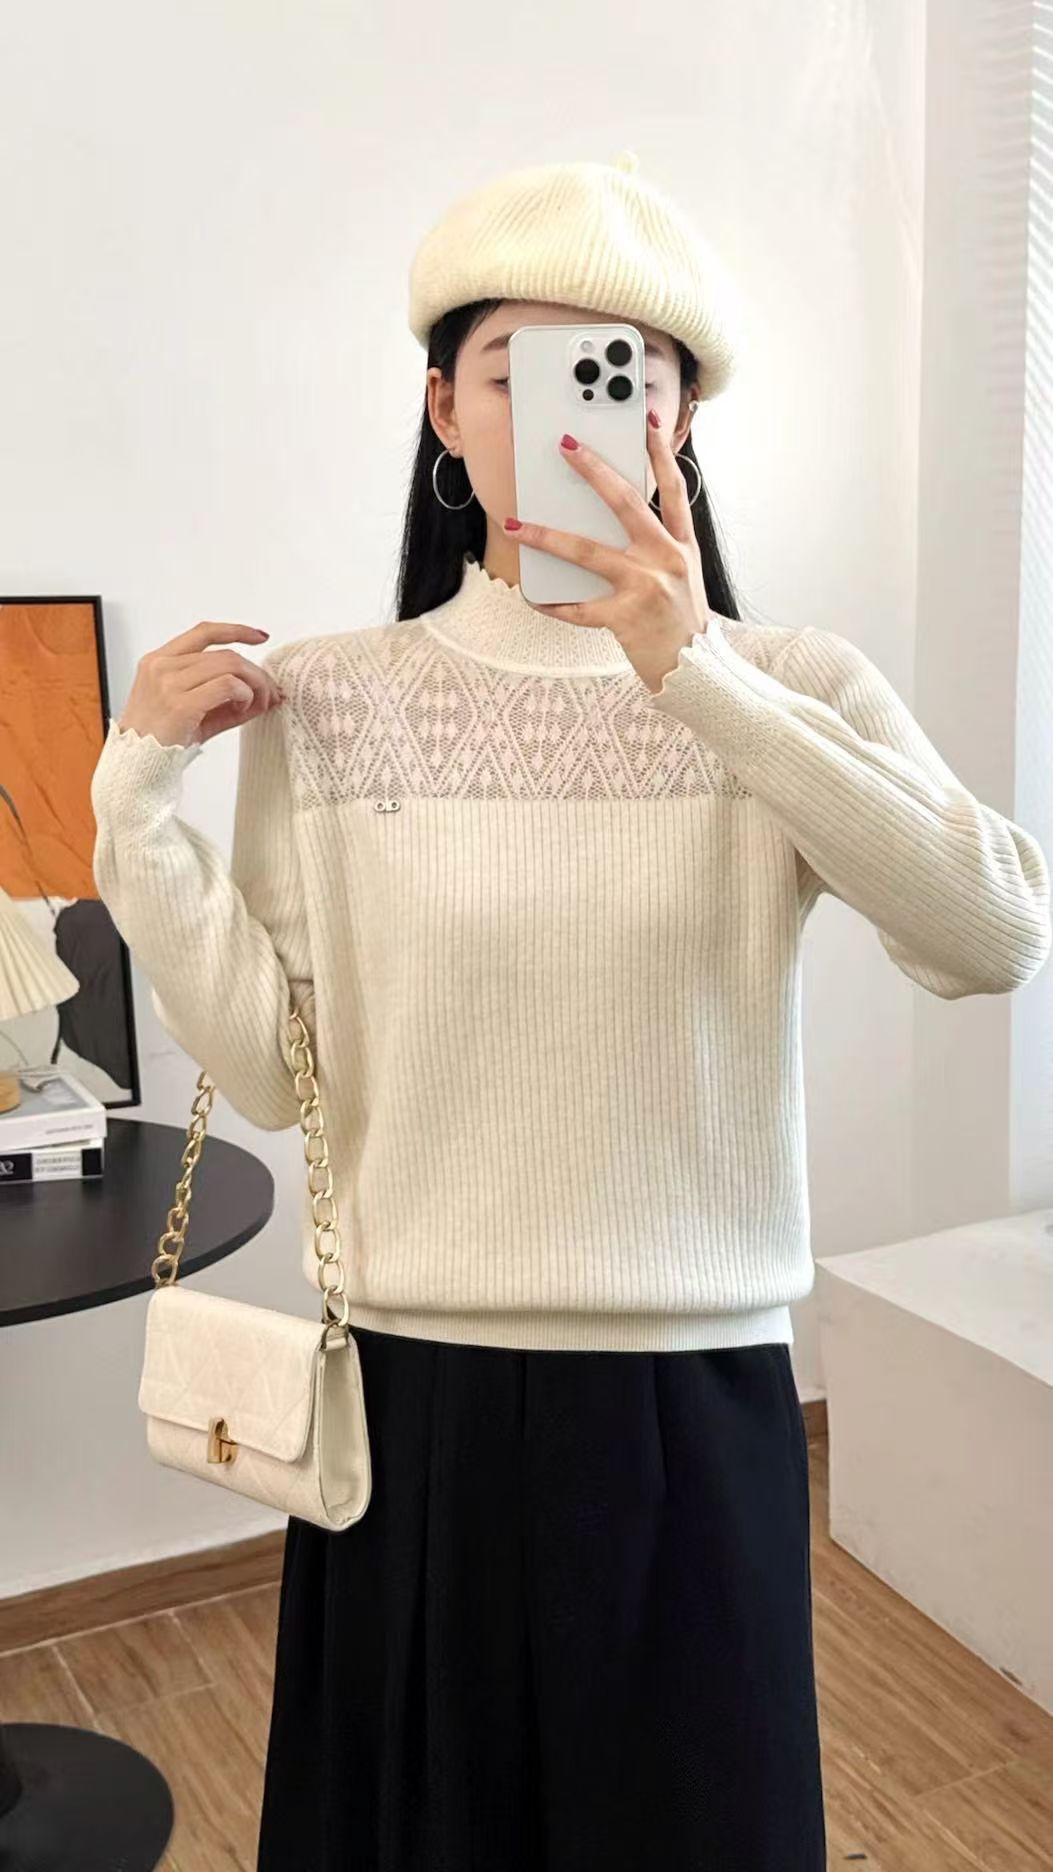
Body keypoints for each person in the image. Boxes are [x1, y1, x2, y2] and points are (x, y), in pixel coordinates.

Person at [89, 151, 1052, 1872]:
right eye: (512, 369)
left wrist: (696, 678)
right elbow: (272, 1074)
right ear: (444, 413)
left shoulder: (791, 685)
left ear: (679, 419)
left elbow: (989, 934)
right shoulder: (331, 699)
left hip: (690, 1394)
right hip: (408, 1404)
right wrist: (133, 809)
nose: (573, 412)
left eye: (624, 371)